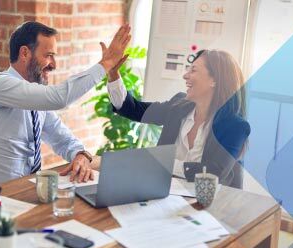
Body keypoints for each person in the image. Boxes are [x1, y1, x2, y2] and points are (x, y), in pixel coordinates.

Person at [0, 21, 131, 189]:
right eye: (48, 55)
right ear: (25, 53)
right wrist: (106, 63)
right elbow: (58, 98)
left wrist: (80, 154)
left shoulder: (35, 99)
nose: (54, 65)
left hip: (21, 192)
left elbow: (62, 139)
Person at [107, 49, 250, 188]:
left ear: (214, 80)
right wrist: (113, 74)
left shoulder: (235, 126)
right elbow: (133, 109)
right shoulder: (179, 107)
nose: (185, 76)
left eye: (193, 70)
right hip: (166, 196)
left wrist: (163, 163)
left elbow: (214, 172)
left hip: (212, 205)